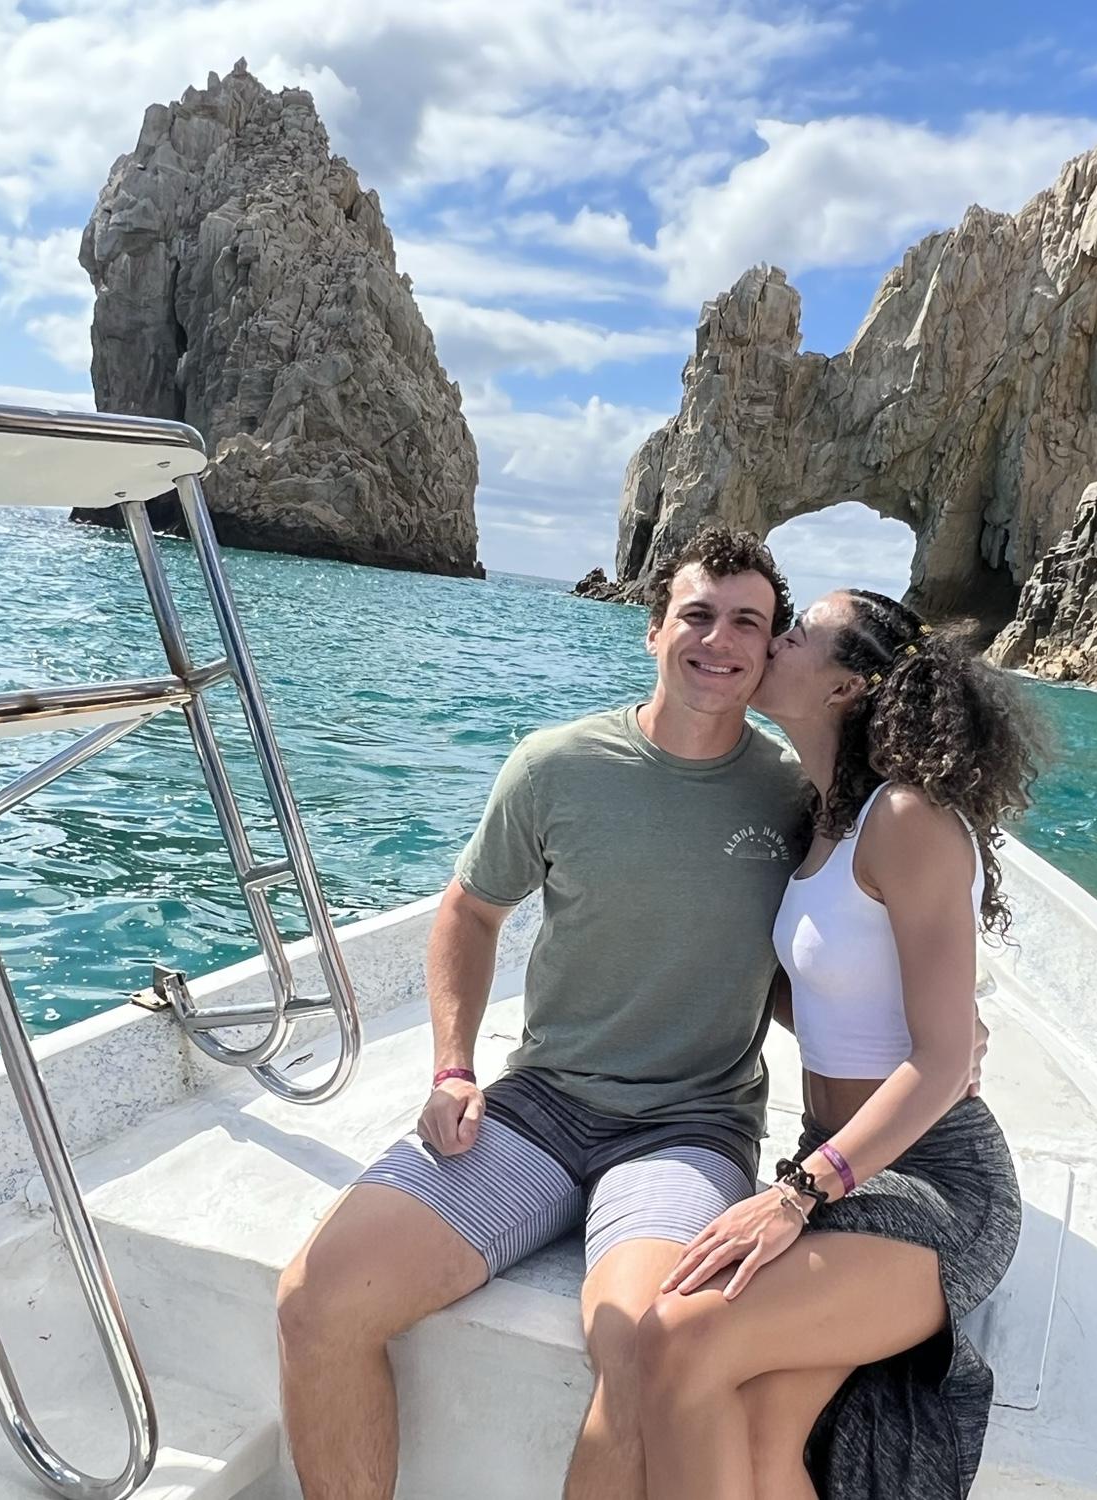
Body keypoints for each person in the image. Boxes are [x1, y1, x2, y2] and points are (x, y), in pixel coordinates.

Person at [275, 524, 813, 1500]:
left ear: (771, 647)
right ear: (653, 629)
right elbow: (470, 912)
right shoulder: (557, 766)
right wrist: (452, 1067)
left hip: (690, 1129)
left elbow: (829, 943)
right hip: (540, 1107)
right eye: (696, 613)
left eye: (747, 621)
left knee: (646, 1350)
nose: (718, 639)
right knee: (316, 1301)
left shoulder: (793, 793)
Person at [638, 587, 1039, 1500]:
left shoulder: (907, 818)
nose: (772, 642)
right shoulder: (820, 820)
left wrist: (796, 1195)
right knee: (760, 1430)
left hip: (933, 1181)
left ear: (846, 686)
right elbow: (823, 995)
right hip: (834, 1161)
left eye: (797, 634)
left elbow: (942, 1059)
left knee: (675, 1338)